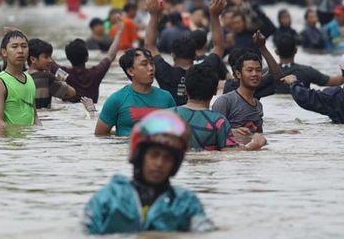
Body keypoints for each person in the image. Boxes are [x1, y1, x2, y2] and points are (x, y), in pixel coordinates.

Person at [84, 110, 215, 234]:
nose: (159, 164)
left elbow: (204, 230)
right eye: (154, 155)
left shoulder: (185, 203)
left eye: (167, 158)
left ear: (176, 164)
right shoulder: (108, 198)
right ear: (139, 156)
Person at [281, 6, 344, 124]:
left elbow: (306, 98)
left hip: (343, 139)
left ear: (342, 72)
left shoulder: (334, 96)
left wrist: (294, 83)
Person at [145, 0, 227, 106]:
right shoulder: (204, 71)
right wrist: (215, 16)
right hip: (200, 118)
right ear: (194, 55)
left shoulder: (165, 72)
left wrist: (153, 15)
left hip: (174, 120)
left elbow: (150, 45)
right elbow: (219, 46)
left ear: (173, 56)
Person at [171, 64, 266, 151]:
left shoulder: (167, 115)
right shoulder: (218, 122)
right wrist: (254, 145)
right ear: (215, 92)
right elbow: (232, 153)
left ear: (186, 90)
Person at [212, 32, 283, 135]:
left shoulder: (258, 106)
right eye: (249, 70)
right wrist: (232, 132)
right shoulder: (225, 101)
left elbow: (258, 136)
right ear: (238, 73)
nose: (254, 74)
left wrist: (280, 133)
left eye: (258, 70)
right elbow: (211, 131)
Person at [94, 48, 175, 137]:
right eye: (144, 64)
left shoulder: (166, 98)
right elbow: (100, 134)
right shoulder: (117, 100)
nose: (151, 68)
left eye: (152, 63)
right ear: (130, 71)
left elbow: (176, 132)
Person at [52, 14, 124, 104]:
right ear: (87, 57)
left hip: (70, 113)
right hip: (92, 111)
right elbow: (111, 55)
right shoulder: (96, 73)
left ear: (68, 58)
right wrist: (119, 31)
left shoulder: (64, 73)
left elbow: (49, 62)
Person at [0, 31, 39, 127]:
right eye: (14, 47)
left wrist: (40, 134)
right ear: (4, 52)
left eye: (24, 46)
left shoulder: (30, 79)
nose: (20, 51)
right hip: (10, 140)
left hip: (28, 139)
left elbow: (35, 117)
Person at [273, 35, 343, 94]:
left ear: (276, 52)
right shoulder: (306, 71)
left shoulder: (267, 73)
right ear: (296, 50)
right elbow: (333, 82)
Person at [27, 39, 75, 109]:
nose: (50, 60)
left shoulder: (22, 75)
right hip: (45, 118)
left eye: (50, 57)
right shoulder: (47, 77)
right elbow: (72, 93)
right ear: (33, 59)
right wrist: (60, 81)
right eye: (46, 57)